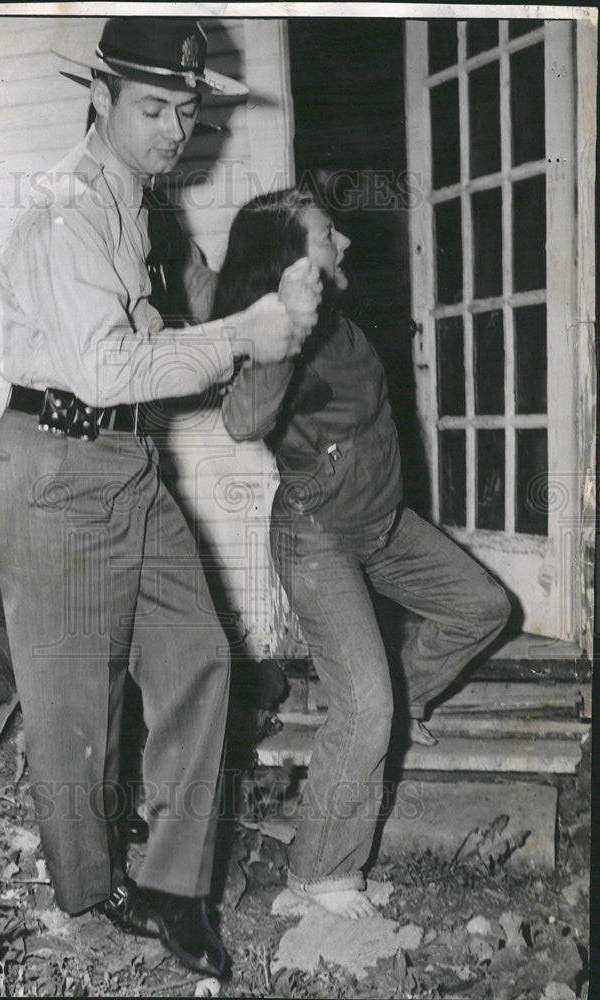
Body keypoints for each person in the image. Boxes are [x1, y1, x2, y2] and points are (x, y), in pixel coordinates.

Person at [0, 18, 320, 978]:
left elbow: (152, 335)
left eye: (187, 109)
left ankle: (177, 887)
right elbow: (101, 367)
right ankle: (91, 887)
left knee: (201, 658)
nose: (176, 128)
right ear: (100, 98)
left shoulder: (138, 203)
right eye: (155, 107)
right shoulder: (67, 213)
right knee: (76, 703)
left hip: (128, 463)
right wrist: (243, 336)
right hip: (57, 463)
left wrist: (246, 322)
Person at [218, 187, 511, 919]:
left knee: (482, 607)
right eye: (326, 235)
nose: (343, 242)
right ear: (289, 264)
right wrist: (284, 322)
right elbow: (241, 419)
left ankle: (392, 712)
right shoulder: (281, 337)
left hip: (382, 523)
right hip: (318, 538)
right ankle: (317, 873)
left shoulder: (341, 321)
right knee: (364, 702)